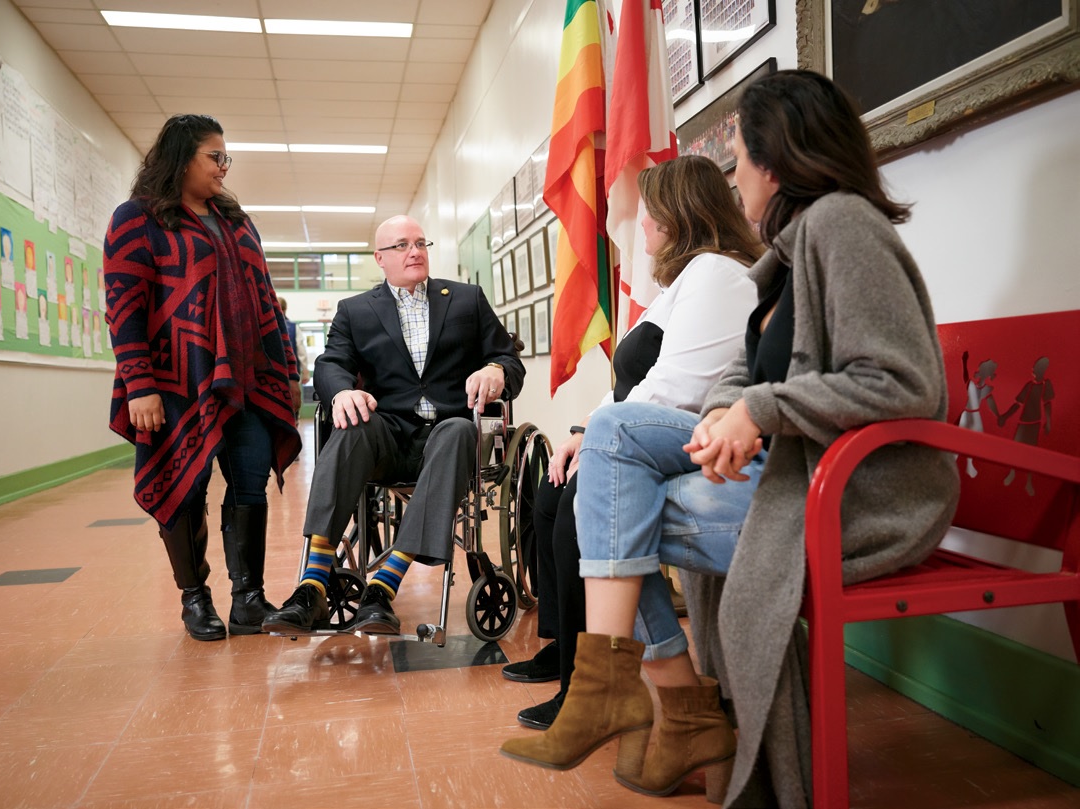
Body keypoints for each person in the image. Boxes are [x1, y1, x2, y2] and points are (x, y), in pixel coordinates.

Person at [500, 70, 961, 808]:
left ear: (774, 158)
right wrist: (726, 412)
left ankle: (654, 698)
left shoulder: (843, 225)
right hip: (800, 478)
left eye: (739, 157)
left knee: (612, 491)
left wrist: (760, 413)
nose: (735, 175)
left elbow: (904, 385)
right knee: (612, 477)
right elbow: (743, 371)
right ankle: (652, 698)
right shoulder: (782, 253)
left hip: (863, 501)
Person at [500, 155, 762, 731]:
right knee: (549, 493)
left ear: (678, 214)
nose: (638, 224)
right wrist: (581, 430)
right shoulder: (684, 282)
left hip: (683, 437)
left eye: (647, 212)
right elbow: (638, 382)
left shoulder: (718, 274)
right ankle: (565, 650)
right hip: (647, 429)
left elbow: (679, 388)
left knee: (576, 507)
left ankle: (585, 688)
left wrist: (598, 435)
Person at [262, 215, 526, 635]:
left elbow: (510, 361)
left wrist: (496, 367)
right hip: (389, 438)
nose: (415, 251)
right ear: (380, 258)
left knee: (459, 430)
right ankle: (312, 586)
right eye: (402, 245)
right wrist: (341, 391)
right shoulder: (356, 311)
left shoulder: (465, 300)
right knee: (350, 428)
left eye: (421, 243)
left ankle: (384, 585)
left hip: (448, 438)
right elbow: (330, 364)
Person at [104, 114, 302, 642]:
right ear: (181, 157)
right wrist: (139, 383)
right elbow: (124, 308)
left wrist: (287, 370)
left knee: (250, 482)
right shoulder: (138, 218)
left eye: (224, 157)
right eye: (215, 156)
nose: (224, 167)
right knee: (184, 486)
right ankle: (195, 599)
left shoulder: (236, 220)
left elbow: (265, 299)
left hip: (249, 379)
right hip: (175, 384)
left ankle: (249, 599)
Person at [279, 296, 310, 391]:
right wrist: (305, 370)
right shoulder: (293, 327)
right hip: (291, 374)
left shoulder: (263, 327)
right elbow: (301, 350)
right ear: (285, 309)